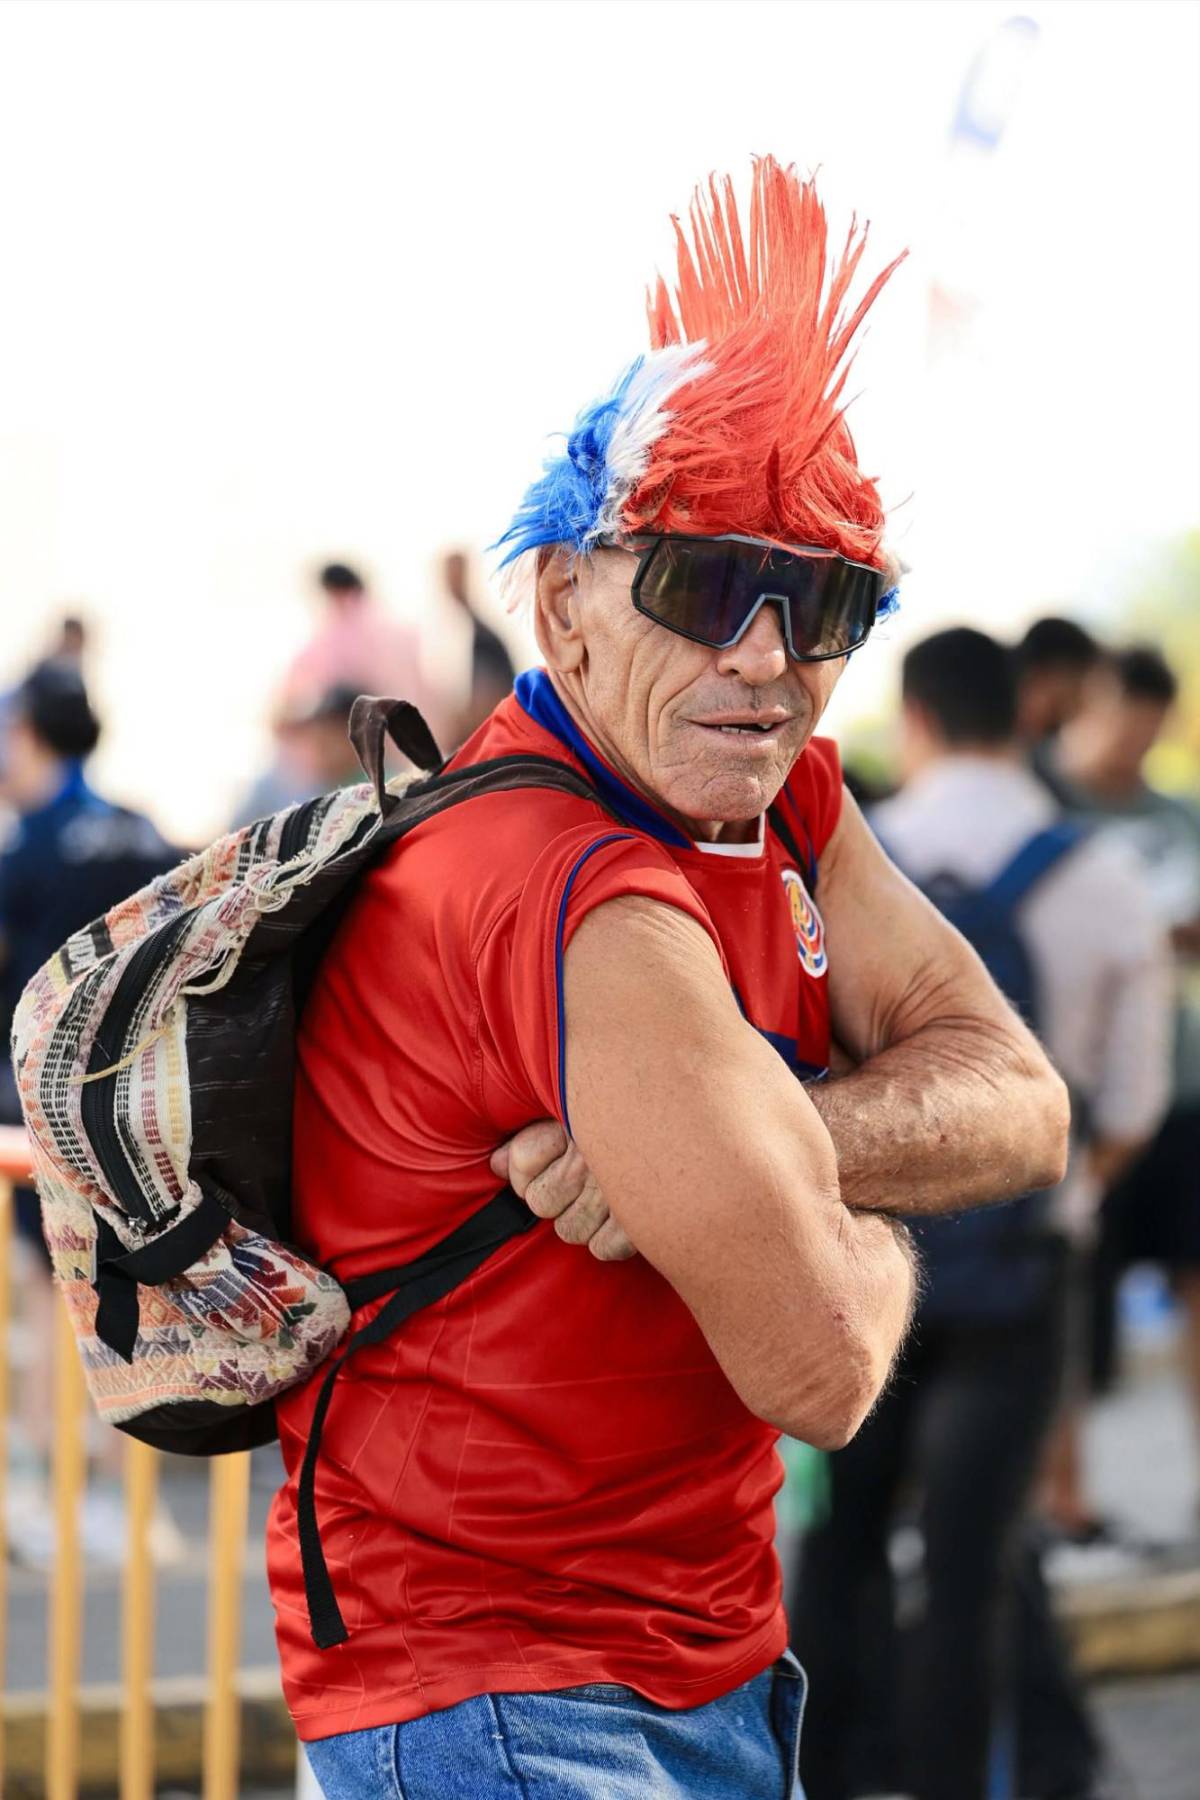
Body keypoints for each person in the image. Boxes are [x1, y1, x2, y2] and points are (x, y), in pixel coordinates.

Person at [272, 160, 1067, 1800]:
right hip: (498, 1698)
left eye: (829, 603)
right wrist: (792, 1173)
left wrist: (766, 1132)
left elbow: (1026, 1104)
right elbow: (828, 1367)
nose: (769, 659)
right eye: (707, 587)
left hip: (702, 1663)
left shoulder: (786, 811)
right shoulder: (567, 886)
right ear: (563, 600)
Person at [790, 628, 1170, 1800]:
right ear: (1028, 716)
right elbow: (1136, 1101)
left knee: (838, 1547)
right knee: (970, 1573)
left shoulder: (857, 863)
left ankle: (821, 1774)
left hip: (864, 1269)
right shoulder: (1105, 876)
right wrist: (1067, 1191)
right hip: (1025, 1276)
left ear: (917, 719)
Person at [0, 658, 180, 1561]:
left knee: (46, 1304)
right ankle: (124, 1506)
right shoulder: (141, 832)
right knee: (131, 1308)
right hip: (139, 1116)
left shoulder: (25, 849)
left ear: (29, 738)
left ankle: (41, 1501)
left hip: (41, 1118)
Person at [1053, 646, 1200, 1508]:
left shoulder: (1176, 816)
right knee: (1068, 1308)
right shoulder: (1045, 808)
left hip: (1176, 1091)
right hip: (1074, 1094)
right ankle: (1065, 1507)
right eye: (1121, 730)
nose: (1128, 753)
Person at [281, 560, 439, 734]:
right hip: (408, 732)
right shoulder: (395, 625)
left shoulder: (343, 631)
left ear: (334, 592)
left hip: (371, 731)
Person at [1014, 616, 1102, 806]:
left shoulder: (1042, 756)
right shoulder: (994, 748)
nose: (1081, 703)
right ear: (1043, 675)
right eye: (1077, 685)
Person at [440, 546, 518, 742]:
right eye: (449, 574)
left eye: (457, 573)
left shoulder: (484, 637)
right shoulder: (447, 632)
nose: (452, 581)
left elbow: (490, 694)